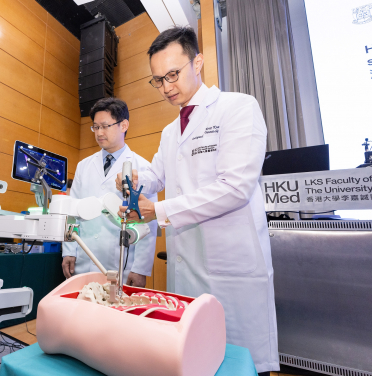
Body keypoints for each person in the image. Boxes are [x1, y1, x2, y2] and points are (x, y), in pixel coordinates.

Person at [115, 27, 278, 374]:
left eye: (172, 75)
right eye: (157, 80)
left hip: (231, 270)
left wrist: (157, 210)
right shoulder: (170, 131)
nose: (166, 87)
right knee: (194, 361)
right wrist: (133, 181)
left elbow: (235, 187)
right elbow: (158, 176)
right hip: (187, 265)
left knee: (237, 363)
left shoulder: (237, 108)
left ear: (198, 62)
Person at [62, 97, 158, 287]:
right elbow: (71, 211)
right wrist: (69, 250)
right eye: (95, 127)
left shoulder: (144, 169)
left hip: (121, 262)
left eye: (105, 126)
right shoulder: (84, 166)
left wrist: (140, 268)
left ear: (124, 125)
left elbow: (149, 222)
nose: (99, 133)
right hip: (83, 256)